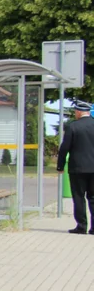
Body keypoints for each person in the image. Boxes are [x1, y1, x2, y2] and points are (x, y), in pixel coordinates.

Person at [57, 100, 94, 234]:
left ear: (78, 112)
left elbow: (64, 148)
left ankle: (81, 226)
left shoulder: (73, 126)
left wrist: (60, 166)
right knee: (93, 198)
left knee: (79, 197)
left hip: (77, 169)